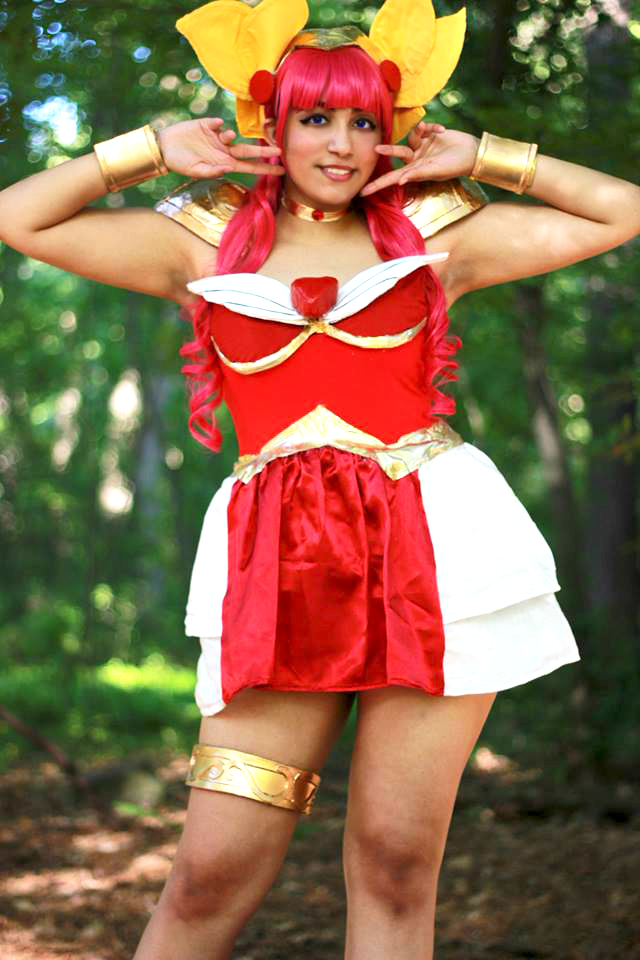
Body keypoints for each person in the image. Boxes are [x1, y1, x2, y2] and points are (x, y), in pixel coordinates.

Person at [1, 0, 639, 957]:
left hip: (438, 560)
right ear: (272, 123)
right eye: (314, 118)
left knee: (393, 862)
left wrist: (484, 155)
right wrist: (151, 150)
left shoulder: (434, 234)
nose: (341, 144)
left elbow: (624, 209)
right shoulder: (203, 242)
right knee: (209, 874)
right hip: (278, 570)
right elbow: (16, 217)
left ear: (390, 134)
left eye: (363, 122)